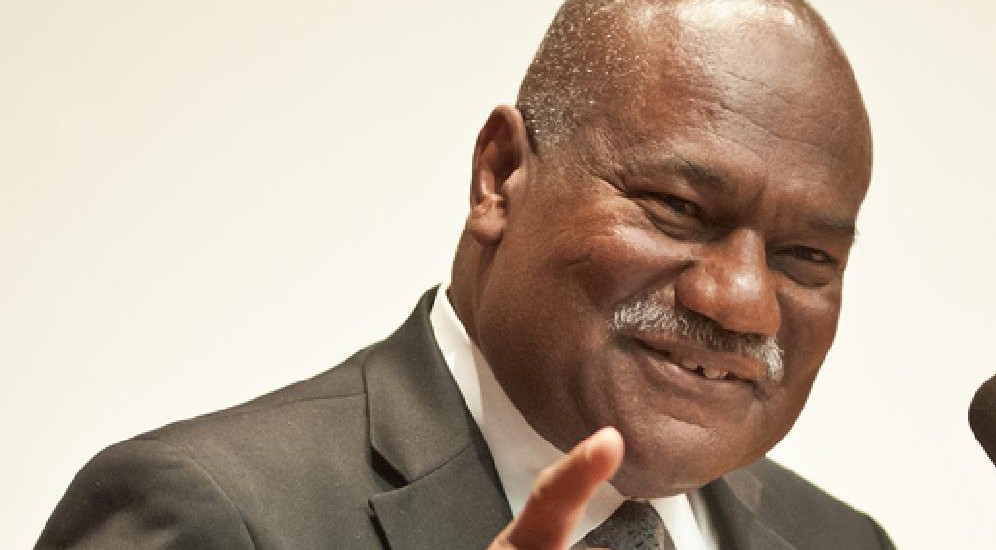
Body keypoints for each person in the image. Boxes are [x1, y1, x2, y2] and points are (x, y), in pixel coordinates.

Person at [38, 0, 891, 548]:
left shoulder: (840, 541)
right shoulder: (212, 516)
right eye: (676, 206)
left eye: (806, 256)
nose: (741, 302)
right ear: (500, 176)